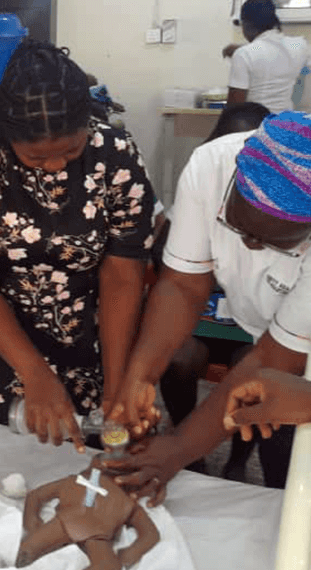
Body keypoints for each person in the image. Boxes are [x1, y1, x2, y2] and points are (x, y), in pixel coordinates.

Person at [0, 39, 155, 450]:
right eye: (37, 159)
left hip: (88, 344)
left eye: (71, 152)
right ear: (7, 134)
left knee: (82, 466)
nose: (55, 166)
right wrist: (34, 374)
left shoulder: (116, 156)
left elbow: (123, 277)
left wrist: (115, 383)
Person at [107, 110, 311, 501]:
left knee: (288, 475)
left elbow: (273, 358)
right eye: (239, 226)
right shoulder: (211, 166)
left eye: (274, 242)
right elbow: (183, 286)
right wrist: (141, 375)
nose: (249, 246)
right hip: (268, 338)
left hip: (293, 359)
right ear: (233, 181)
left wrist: (180, 449)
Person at [151, 102, 270, 477]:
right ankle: (192, 449)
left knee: (254, 376)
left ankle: (237, 459)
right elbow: (170, 268)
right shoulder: (204, 177)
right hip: (205, 315)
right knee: (178, 358)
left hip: (258, 327)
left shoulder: (282, 198)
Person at [222, 0, 310, 113]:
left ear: (246, 24)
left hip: (256, 125)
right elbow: (272, 52)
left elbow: (234, 110)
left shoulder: (244, 55)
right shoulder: (300, 45)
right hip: (287, 124)